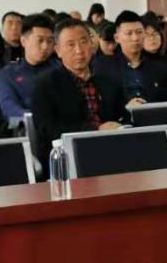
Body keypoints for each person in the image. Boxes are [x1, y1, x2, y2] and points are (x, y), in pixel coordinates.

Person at [30, 19, 129, 162]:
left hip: (113, 150)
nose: (79, 50)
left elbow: (124, 117)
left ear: (91, 44)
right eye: (71, 45)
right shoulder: (45, 85)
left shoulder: (109, 81)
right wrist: (95, 130)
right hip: (69, 157)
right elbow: (48, 130)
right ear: (58, 50)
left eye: (83, 42)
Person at [97, 11, 167, 104]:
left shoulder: (159, 67)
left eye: (139, 32)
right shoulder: (103, 67)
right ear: (117, 38)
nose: (135, 38)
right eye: (129, 33)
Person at [0, 14, 57, 122]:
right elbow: (9, 108)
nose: (45, 46)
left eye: (50, 41)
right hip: (24, 127)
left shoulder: (60, 69)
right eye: (40, 40)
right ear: (23, 41)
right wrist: (32, 118)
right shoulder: (8, 74)